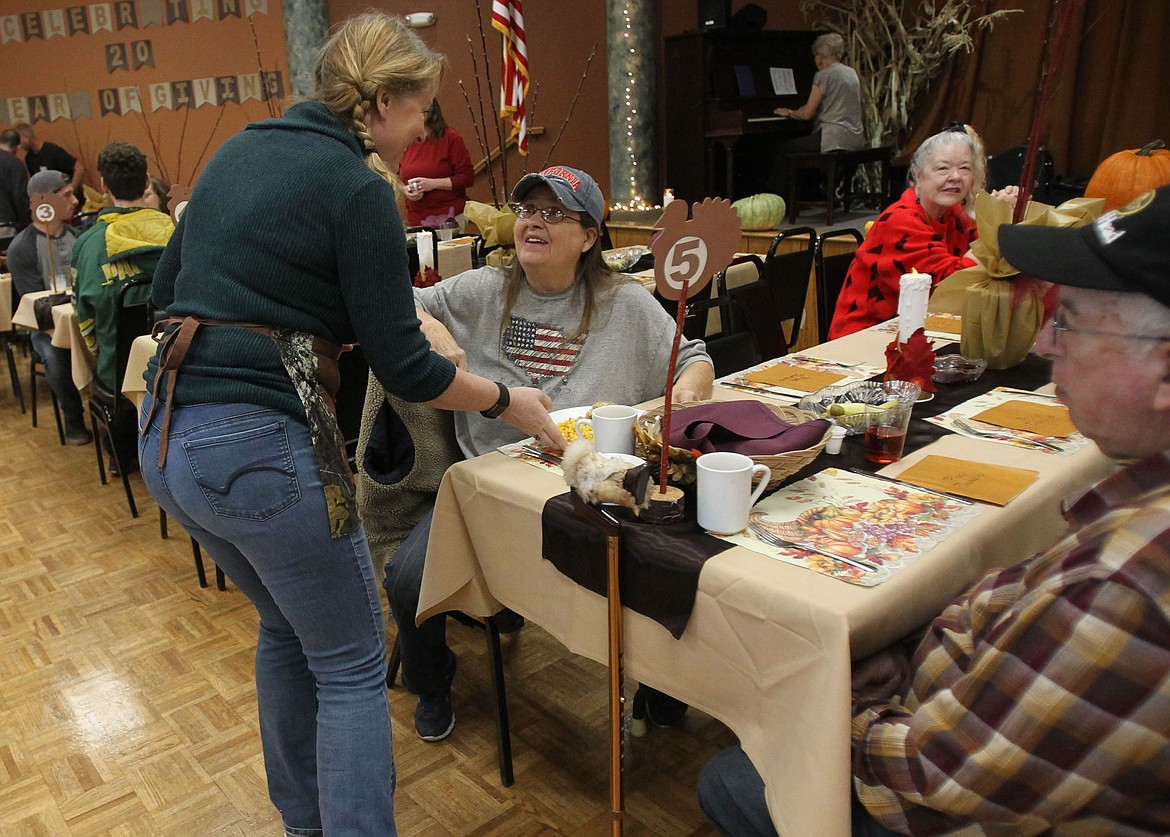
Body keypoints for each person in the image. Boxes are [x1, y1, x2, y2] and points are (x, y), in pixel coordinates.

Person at [137, 12, 564, 836]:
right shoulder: (358, 186)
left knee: (288, 630)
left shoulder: (238, 150)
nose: (423, 131)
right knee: (352, 663)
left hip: (170, 440)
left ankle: (304, 824)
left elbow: (166, 293)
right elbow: (405, 366)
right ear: (379, 100)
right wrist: (510, 400)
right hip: (256, 447)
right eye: (420, 111)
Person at [699, 184, 1170, 834]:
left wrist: (846, 704)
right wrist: (920, 646)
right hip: (960, 709)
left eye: (1071, 320)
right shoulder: (1135, 512)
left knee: (729, 778)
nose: (1044, 345)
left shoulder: (1125, 588)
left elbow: (936, 774)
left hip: (934, 779)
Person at [362, 164, 715, 742]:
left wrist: (689, 385)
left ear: (589, 235)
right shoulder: (480, 291)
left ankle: (663, 684)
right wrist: (433, 328)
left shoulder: (625, 303)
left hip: (595, 489)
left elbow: (694, 352)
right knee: (406, 576)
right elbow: (394, 301)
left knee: (672, 559)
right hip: (490, 493)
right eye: (528, 210)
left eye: (555, 213)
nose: (534, 223)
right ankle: (431, 680)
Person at [829, 124, 1017, 338]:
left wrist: (1010, 214)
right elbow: (952, 286)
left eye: (965, 168)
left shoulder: (954, 215)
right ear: (918, 176)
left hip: (922, 332)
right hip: (865, 339)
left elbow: (995, 267)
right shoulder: (899, 222)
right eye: (943, 168)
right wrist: (997, 221)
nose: (955, 177)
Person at [72, 141, 174, 470]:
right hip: (176, 364)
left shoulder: (88, 245)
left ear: (102, 186)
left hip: (116, 373)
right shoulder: (175, 230)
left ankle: (121, 454)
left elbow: (84, 319)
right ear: (147, 182)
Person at [7, 169, 89, 445]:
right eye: (66, 195)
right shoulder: (22, 248)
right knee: (55, 356)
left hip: (85, 318)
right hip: (47, 328)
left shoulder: (80, 238)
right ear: (44, 202)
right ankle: (73, 415)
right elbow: (36, 306)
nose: (75, 200)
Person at [768, 33, 865, 197]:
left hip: (833, 139)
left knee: (784, 149)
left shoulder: (824, 75)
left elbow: (807, 114)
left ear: (820, 56)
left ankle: (778, 200)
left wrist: (790, 112)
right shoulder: (851, 73)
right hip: (854, 137)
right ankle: (807, 196)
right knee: (803, 145)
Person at [399, 98, 474, 228]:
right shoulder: (406, 141)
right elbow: (395, 176)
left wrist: (433, 184)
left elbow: (467, 177)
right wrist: (406, 190)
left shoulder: (451, 138)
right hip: (417, 221)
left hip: (451, 219)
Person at [15, 123, 85, 198]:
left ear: (26, 137)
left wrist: (72, 188)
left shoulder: (52, 151)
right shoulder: (29, 159)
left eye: (19, 141)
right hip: (50, 202)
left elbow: (79, 168)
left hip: (68, 199)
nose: (19, 145)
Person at [0, 128, 30, 244]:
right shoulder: (15, 164)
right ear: (17, 146)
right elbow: (19, 196)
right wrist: (27, 223)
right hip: (5, 222)